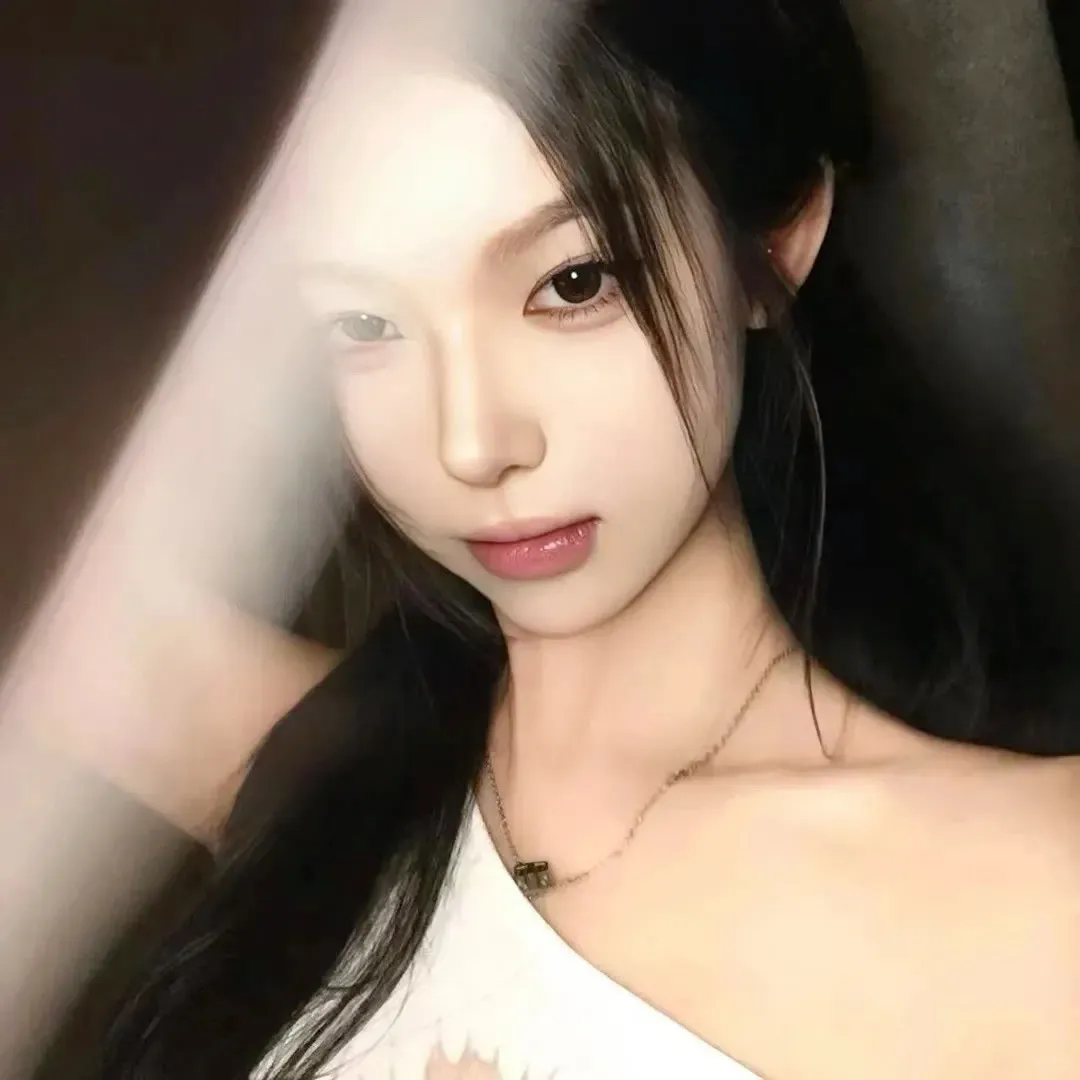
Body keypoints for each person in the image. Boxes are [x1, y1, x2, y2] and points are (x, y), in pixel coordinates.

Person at [37, 0, 1080, 1077]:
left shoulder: (1035, 891)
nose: (471, 442)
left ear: (772, 240)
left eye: (573, 283)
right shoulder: (325, 780)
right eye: (363, 323)